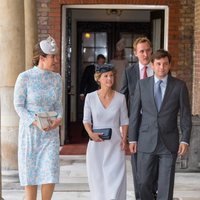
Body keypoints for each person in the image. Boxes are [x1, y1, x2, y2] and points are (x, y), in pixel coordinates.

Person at [129, 49, 192, 200]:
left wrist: (185, 139)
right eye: (158, 64)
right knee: (143, 183)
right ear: (152, 65)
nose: (161, 67)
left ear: (170, 65)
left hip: (168, 143)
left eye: (165, 64)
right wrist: (132, 139)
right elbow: (135, 113)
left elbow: (185, 115)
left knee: (166, 186)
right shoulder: (142, 85)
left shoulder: (179, 86)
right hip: (146, 140)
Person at [14, 35, 63, 200]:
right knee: (31, 174)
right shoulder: (24, 77)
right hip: (31, 134)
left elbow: (58, 105)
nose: (56, 60)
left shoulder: (57, 79)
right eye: (53, 57)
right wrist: (35, 122)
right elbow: (18, 106)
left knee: (49, 173)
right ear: (42, 58)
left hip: (50, 134)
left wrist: (59, 119)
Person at [83, 64, 129, 200]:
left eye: (111, 76)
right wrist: (91, 134)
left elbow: (125, 121)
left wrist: (124, 139)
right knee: (98, 180)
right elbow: (86, 120)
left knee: (115, 180)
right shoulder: (90, 97)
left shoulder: (120, 98)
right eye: (106, 76)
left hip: (115, 145)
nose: (109, 79)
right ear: (99, 78)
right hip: (96, 146)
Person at [120, 37, 155, 200]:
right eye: (141, 51)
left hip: (155, 125)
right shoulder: (129, 72)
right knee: (138, 166)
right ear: (135, 53)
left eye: (148, 50)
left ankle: (152, 194)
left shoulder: (158, 68)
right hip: (136, 124)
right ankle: (140, 197)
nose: (145, 54)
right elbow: (122, 98)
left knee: (154, 164)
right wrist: (122, 125)